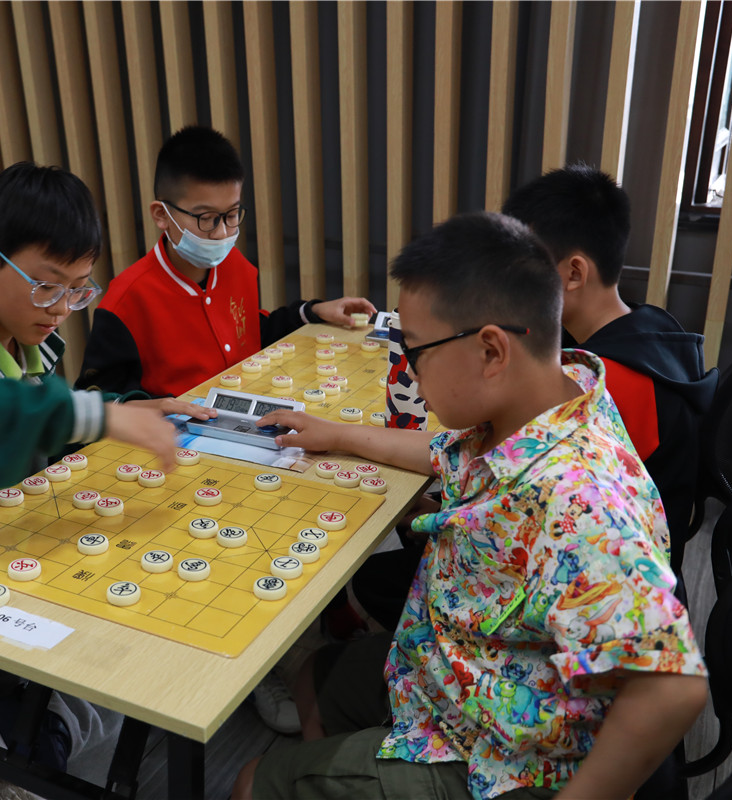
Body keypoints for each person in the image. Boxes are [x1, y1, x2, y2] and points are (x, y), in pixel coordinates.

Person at [236, 212, 707, 800]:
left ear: (490, 350)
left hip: (503, 758)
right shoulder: (551, 397)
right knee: (314, 678)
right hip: (454, 665)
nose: (409, 372)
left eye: (415, 352)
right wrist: (336, 434)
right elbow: (444, 452)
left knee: (251, 782)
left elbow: (672, 688)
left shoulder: (578, 501)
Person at [0, 161, 213, 787]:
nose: (61, 310)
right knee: (28, 719)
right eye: (48, 286)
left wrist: (124, 409)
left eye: (78, 289)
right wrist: (93, 415)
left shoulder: (25, 329)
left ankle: (38, 736)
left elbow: (31, 420)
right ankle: (17, 752)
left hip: (14, 546)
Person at [352, 164, 719, 632]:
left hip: (585, 580)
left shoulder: (603, 391)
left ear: (573, 272)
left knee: (384, 573)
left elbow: (553, 502)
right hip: (556, 546)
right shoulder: (647, 328)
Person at [76, 125, 377, 399]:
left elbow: (250, 335)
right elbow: (98, 400)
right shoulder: (126, 301)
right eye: (206, 218)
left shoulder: (235, 266)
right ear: (162, 215)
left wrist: (312, 311)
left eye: (232, 215)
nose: (222, 233)